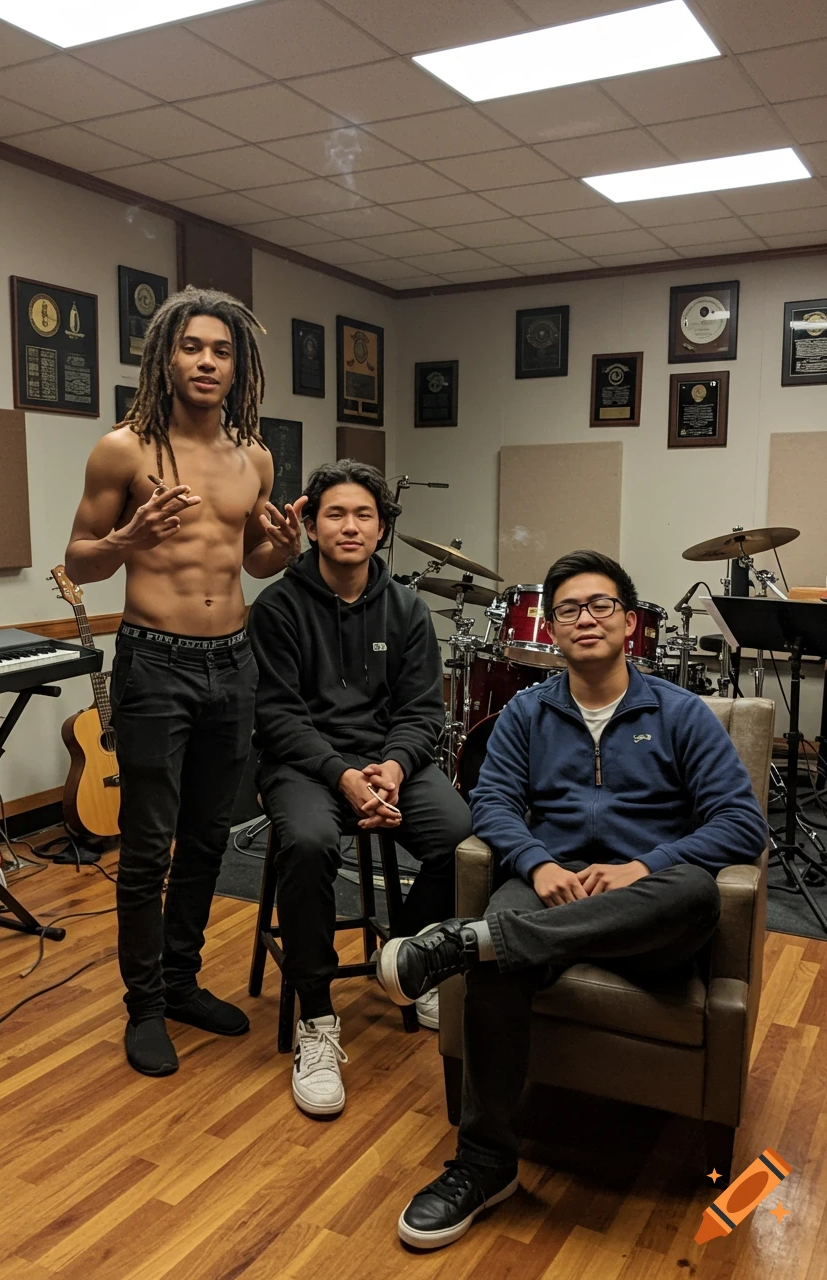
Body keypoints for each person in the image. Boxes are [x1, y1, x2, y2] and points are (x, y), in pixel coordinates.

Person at [379, 549, 769, 1250]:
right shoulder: (526, 713)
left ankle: (471, 941)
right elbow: (492, 803)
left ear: (629, 624)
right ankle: (486, 1164)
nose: (584, 619)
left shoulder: (679, 713)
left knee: (693, 896)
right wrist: (537, 860)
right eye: (568, 609)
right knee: (503, 944)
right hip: (549, 881)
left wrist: (644, 865)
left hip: (648, 909)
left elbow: (742, 823)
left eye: (600, 606)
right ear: (549, 628)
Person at [65, 286, 304, 1078]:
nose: (207, 361)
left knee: (207, 837)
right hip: (155, 660)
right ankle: (143, 1007)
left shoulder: (254, 458)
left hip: (232, 662)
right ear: (165, 356)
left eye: (222, 350)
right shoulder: (124, 450)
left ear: (239, 367)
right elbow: (78, 560)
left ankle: (181, 981)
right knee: (146, 847)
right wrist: (128, 536)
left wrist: (288, 550)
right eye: (193, 347)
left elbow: (254, 563)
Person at [247, 459, 472, 1118]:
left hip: (389, 764)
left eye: (364, 515)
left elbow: (423, 710)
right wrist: (342, 776)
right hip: (303, 768)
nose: (350, 526)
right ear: (311, 525)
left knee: (463, 837)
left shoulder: (405, 608)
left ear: (382, 529)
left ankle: (408, 957)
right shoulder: (277, 608)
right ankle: (317, 1019)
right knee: (312, 842)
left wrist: (395, 769)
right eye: (335, 514)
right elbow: (278, 716)